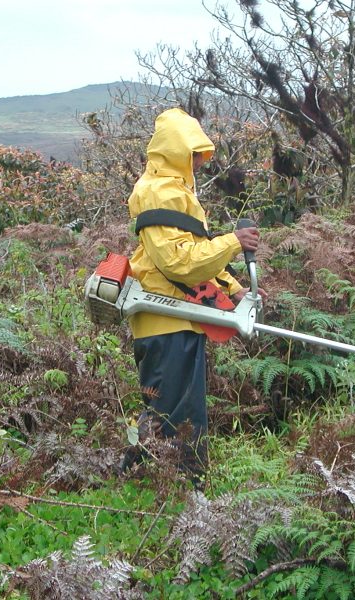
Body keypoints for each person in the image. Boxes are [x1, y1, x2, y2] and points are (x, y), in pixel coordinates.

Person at [120, 107, 261, 482]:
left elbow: (197, 256)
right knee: (174, 418)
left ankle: (150, 484)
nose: (199, 162)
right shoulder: (158, 192)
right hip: (165, 322)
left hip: (178, 320)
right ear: (178, 151)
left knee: (172, 412)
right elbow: (178, 264)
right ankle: (176, 490)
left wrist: (233, 289)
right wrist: (234, 242)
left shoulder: (175, 191)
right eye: (194, 154)